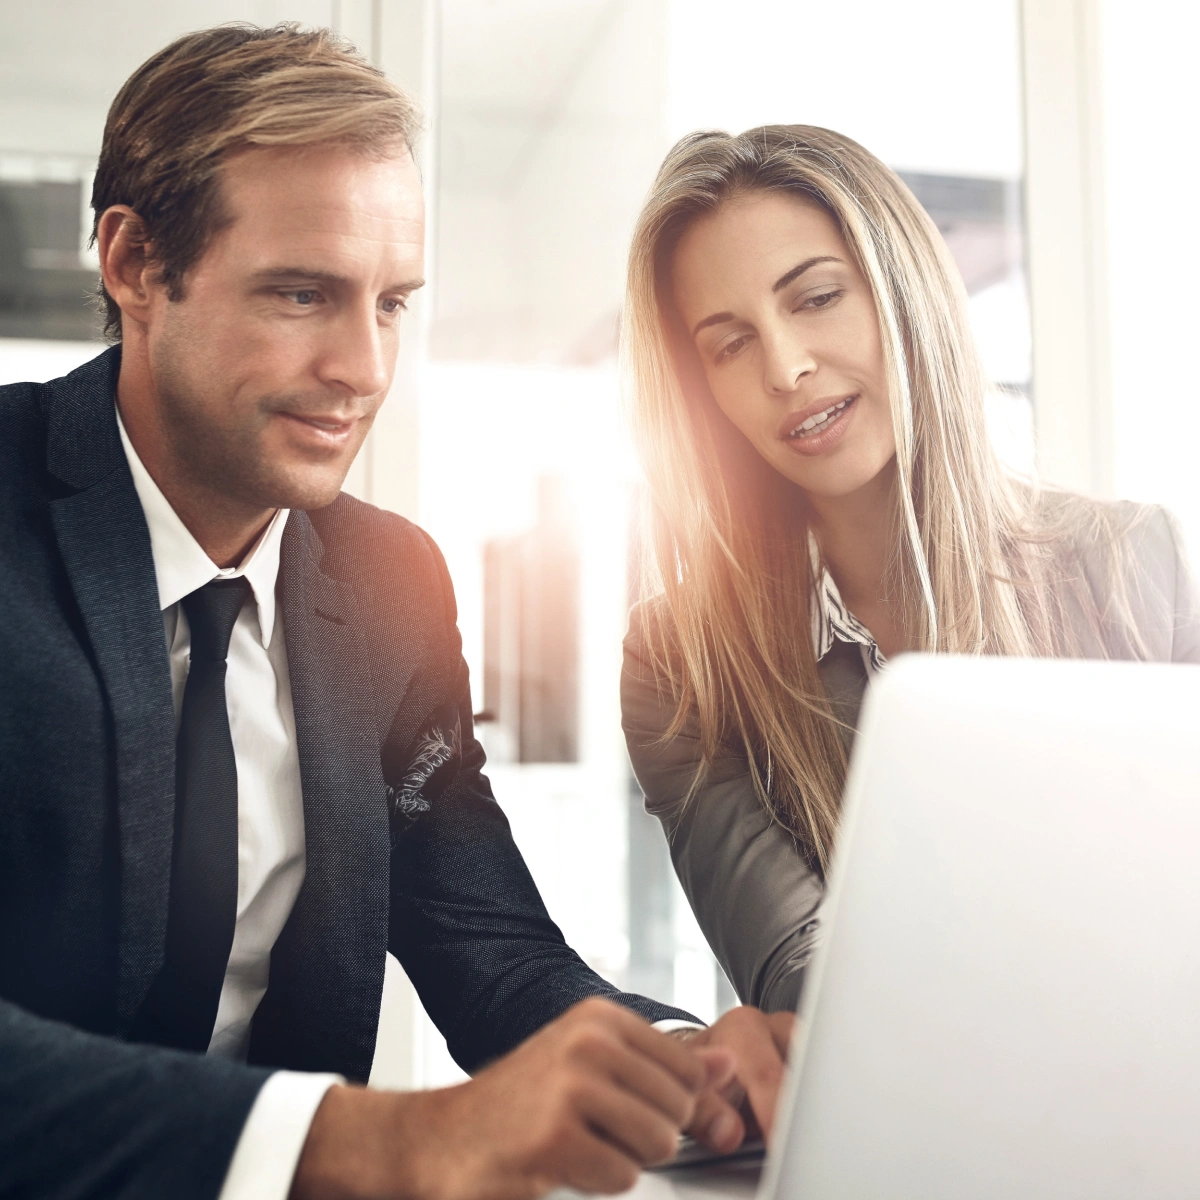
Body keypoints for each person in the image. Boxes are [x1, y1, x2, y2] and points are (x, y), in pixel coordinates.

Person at [0, 28, 794, 1200]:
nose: (364, 367)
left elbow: (485, 942)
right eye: (301, 294)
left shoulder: (389, 583)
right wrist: (377, 1141)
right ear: (133, 262)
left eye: (392, 304)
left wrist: (681, 1071)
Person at [619, 124, 1200, 1017]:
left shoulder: (1137, 565)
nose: (787, 368)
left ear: (904, 288)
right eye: (730, 344)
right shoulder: (682, 665)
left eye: (816, 298)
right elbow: (808, 985)